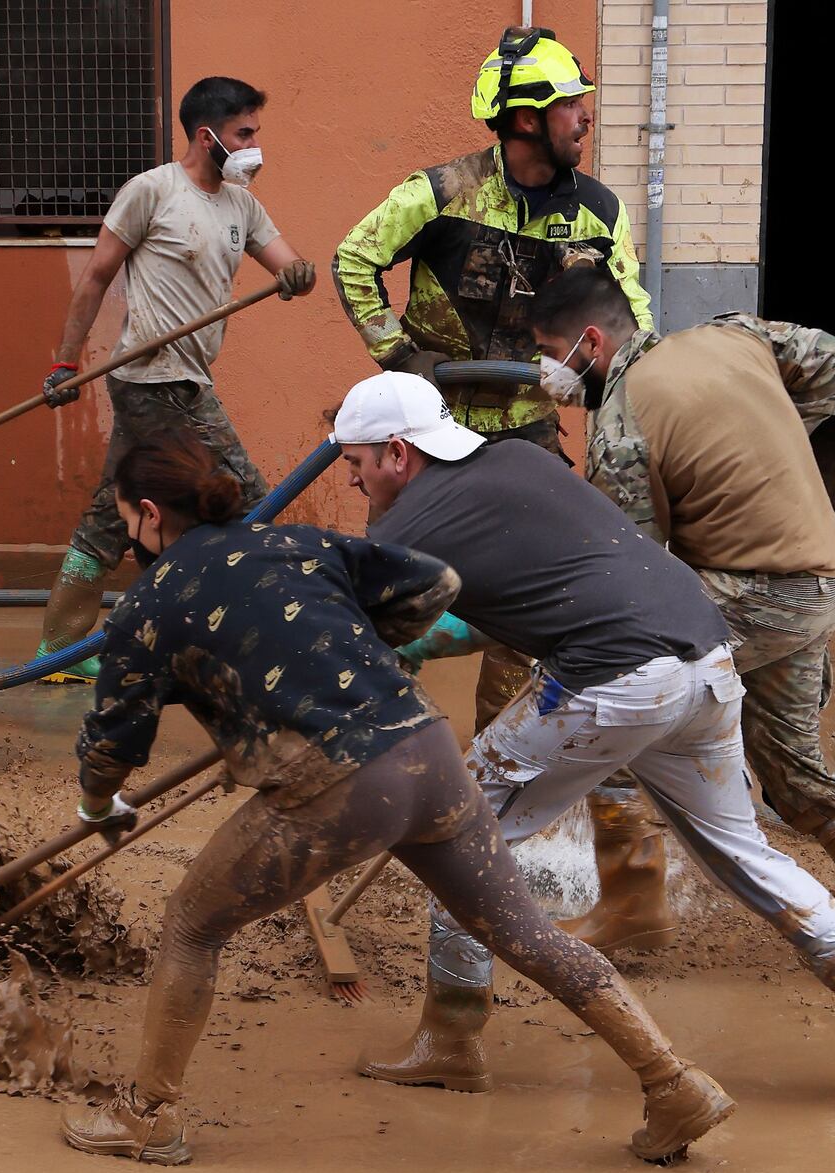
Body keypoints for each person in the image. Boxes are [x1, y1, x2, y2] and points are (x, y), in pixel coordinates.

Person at [56, 435, 735, 1168]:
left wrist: (99, 808)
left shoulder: (146, 608)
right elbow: (435, 583)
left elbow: (111, 746)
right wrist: (361, 653)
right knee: (526, 933)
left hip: (341, 782)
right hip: (429, 755)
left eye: (127, 519)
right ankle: (672, 1081)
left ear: (149, 514)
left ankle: (149, 1115)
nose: (129, 535)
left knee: (191, 924)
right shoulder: (297, 545)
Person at [330, 371, 835, 1095]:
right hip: (704, 659)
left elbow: (360, 642)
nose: (356, 484)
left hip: (613, 680)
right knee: (750, 858)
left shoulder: (402, 530)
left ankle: (449, 1039)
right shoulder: (521, 460)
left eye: (354, 466)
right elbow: (517, 598)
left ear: (395, 453)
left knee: (451, 833)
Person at [525, 265, 835, 983]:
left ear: (589, 341)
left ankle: (629, 898)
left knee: (605, 685)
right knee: (788, 763)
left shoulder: (621, 426)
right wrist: (773, 433)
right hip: (822, 583)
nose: (545, 373)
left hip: (751, 595)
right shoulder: (734, 337)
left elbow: (632, 579)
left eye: (548, 350)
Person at [333, 26, 649, 738]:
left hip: (529, 432)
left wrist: (592, 381)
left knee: (524, 604)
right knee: (390, 586)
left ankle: (494, 760)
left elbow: (634, 320)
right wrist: (399, 356)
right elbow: (353, 259)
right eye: (572, 104)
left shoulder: (598, 214)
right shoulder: (440, 194)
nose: (586, 116)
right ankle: (366, 729)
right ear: (529, 119)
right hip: (427, 427)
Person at [31, 76, 317, 684]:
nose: (254, 145)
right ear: (206, 134)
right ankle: (266, 638)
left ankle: (56, 654)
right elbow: (96, 278)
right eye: (244, 133)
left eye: (255, 132)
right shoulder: (152, 192)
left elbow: (286, 262)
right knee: (249, 496)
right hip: (152, 377)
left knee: (113, 514)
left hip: (188, 377)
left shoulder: (242, 206)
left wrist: (299, 275)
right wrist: (66, 361)